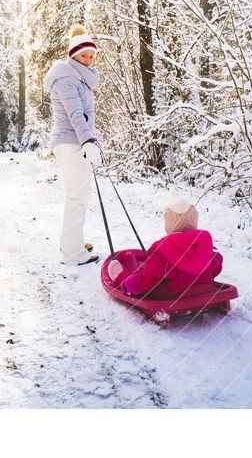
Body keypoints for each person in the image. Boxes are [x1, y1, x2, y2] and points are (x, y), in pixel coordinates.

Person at [44, 24, 105, 265]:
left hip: (75, 142)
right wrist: (88, 141)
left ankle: (72, 242)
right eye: (84, 56)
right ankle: (72, 253)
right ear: (72, 55)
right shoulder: (66, 79)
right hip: (71, 142)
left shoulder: (78, 77)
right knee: (78, 196)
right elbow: (75, 114)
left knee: (78, 194)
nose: (89, 60)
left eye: (92, 55)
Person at [107, 197, 223, 298]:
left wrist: (129, 285)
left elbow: (147, 280)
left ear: (168, 226)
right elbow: (216, 264)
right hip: (203, 290)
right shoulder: (205, 247)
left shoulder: (162, 254)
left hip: (173, 295)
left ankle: (121, 277)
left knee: (140, 280)